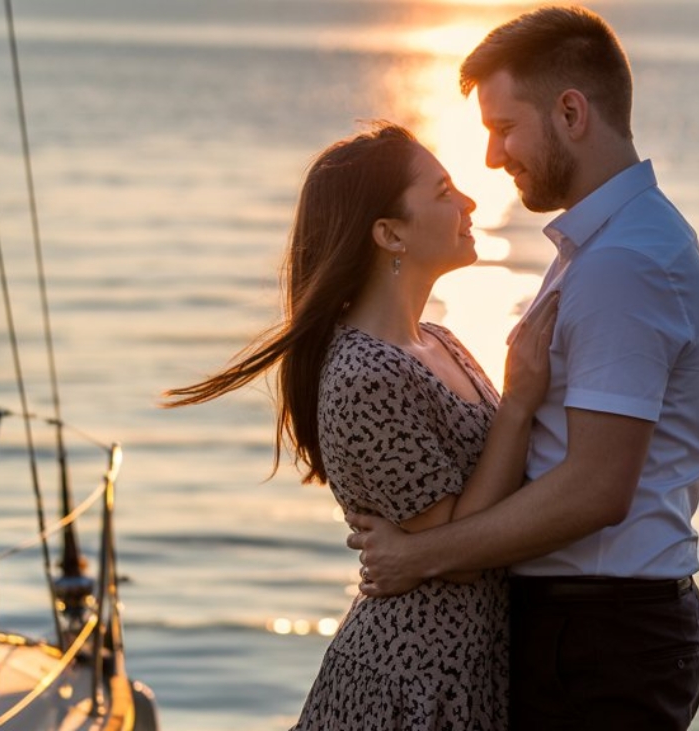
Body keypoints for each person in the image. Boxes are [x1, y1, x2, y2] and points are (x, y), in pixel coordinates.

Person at [346, 6, 699, 730]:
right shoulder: (604, 245)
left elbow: (595, 488)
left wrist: (419, 556)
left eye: (505, 127)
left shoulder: (623, 262)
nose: (492, 156)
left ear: (571, 113)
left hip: (601, 635)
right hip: (595, 627)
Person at [163, 122, 557, 730]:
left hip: (464, 668)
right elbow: (459, 555)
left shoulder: (441, 342)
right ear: (389, 233)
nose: (470, 202)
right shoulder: (364, 374)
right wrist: (519, 404)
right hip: (409, 684)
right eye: (444, 191)